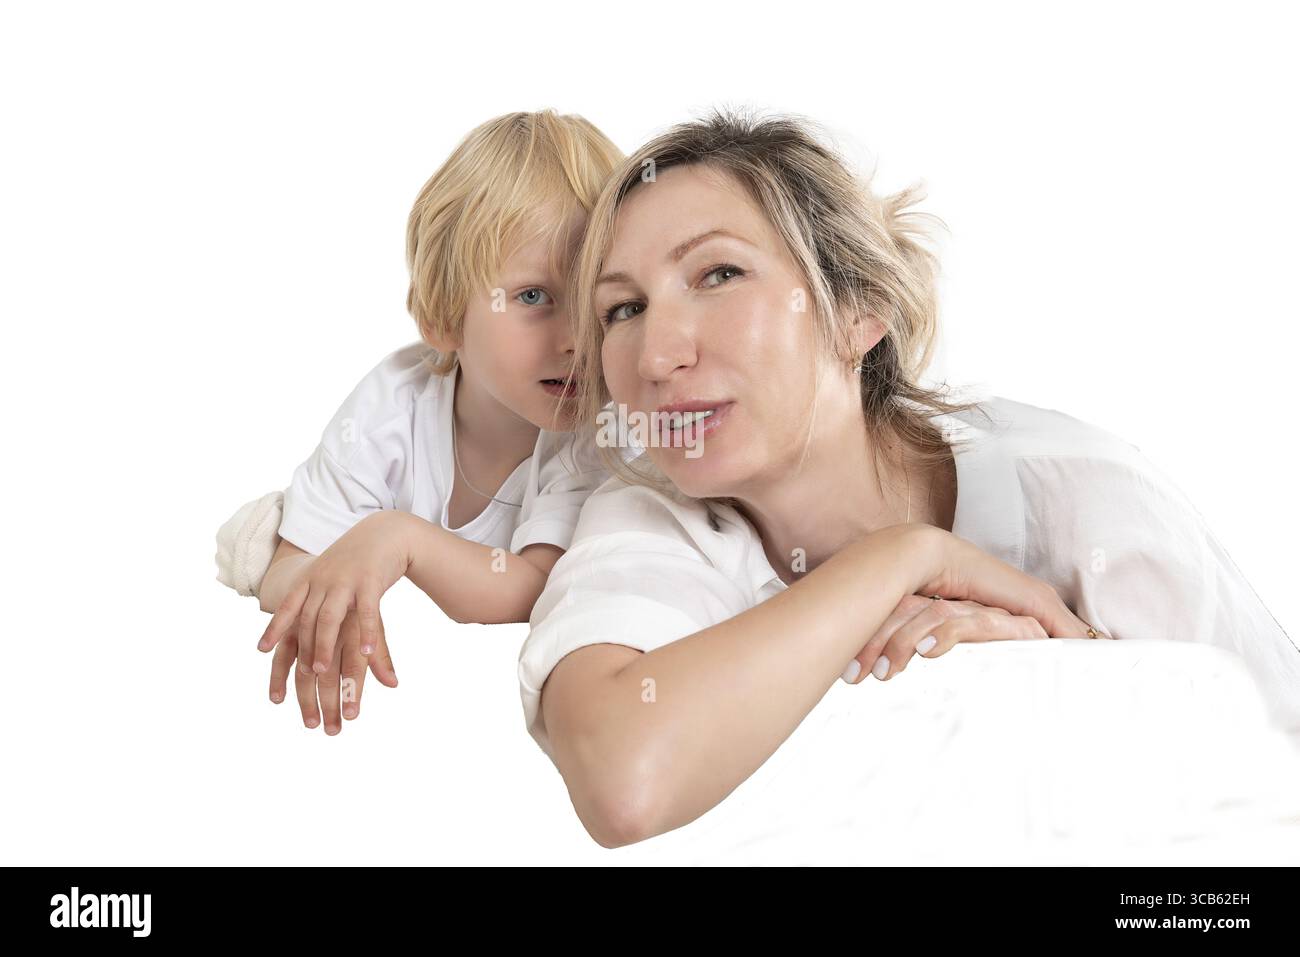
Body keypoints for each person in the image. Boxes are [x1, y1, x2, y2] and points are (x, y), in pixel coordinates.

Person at [516, 108, 1300, 848]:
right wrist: (904, 557)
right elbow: (625, 780)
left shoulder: (1080, 496)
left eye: (718, 274)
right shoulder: (651, 512)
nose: (656, 357)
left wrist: (1077, 660)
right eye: (622, 310)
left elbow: (1278, 782)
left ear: (861, 308)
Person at [216, 110, 625, 734]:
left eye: (600, 296)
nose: (576, 338)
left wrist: (395, 539)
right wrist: (333, 596)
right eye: (534, 297)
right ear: (446, 318)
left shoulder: (597, 432)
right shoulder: (394, 400)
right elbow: (289, 569)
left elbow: (532, 588)